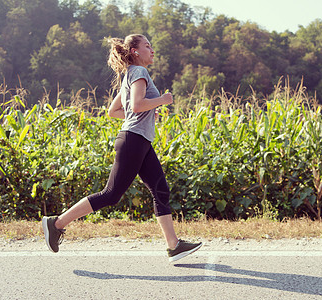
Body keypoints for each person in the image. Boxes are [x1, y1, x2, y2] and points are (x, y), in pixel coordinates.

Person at [42, 34, 202, 262]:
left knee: (160, 190)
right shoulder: (139, 72)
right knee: (111, 194)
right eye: (147, 46)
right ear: (135, 51)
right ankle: (56, 223)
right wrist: (162, 100)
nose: (152, 50)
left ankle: (173, 245)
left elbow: (114, 111)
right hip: (133, 141)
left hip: (140, 141)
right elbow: (136, 106)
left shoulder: (130, 75)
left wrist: (148, 110)